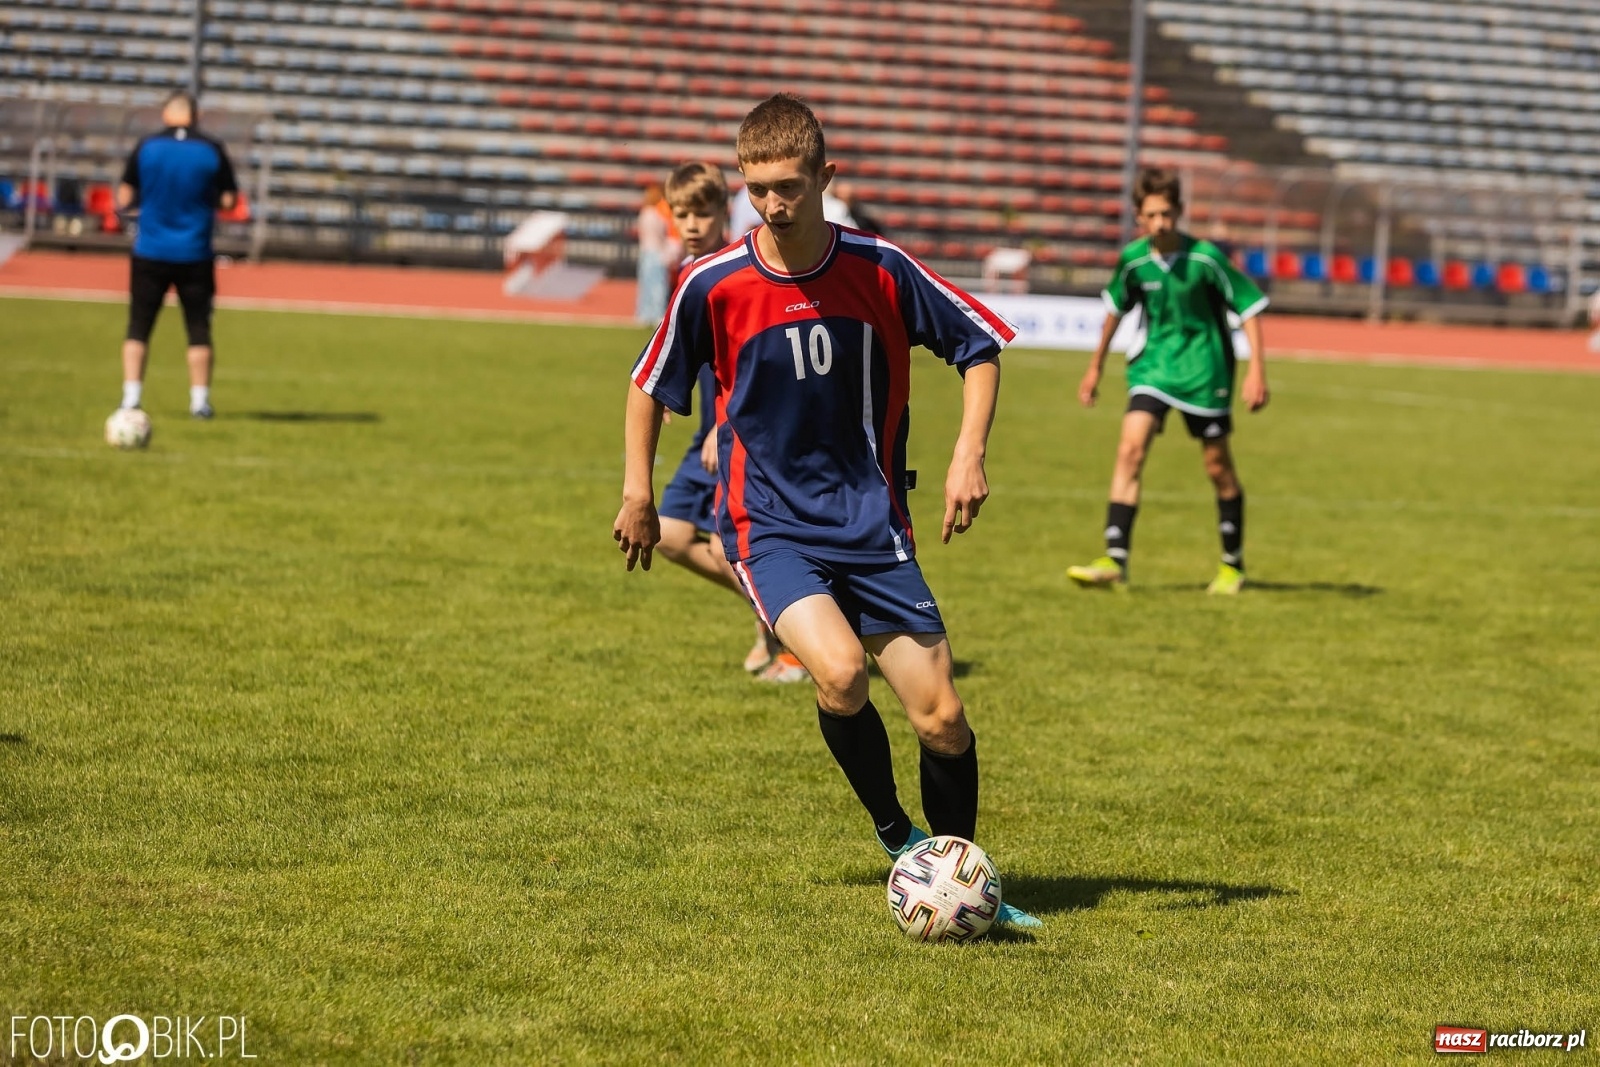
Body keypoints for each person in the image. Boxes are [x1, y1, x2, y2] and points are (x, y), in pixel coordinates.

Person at [613, 94, 1040, 929]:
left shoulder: (880, 267)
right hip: (767, 522)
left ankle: (956, 877)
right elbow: (649, 383)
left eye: (790, 186)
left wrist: (968, 451)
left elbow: (978, 345)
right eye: (758, 187)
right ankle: (895, 833)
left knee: (944, 718)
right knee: (840, 672)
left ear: (825, 178)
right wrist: (637, 489)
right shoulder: (713, 283)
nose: (774, 204)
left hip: (872, 519)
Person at [1068, 168, 1270, 595]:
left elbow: (1249, 307)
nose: (1161, 222)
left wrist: (1256, 371)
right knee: (1130, 449)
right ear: (1139, 218)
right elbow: (1114, 311)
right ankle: (1114, 559)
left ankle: (1232, 564)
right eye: (1152, 215)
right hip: (1153, 369)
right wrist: (1095, 367)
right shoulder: (1135, 260)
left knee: (1218, 467)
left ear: (1179, 211)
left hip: (1206, 372)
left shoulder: (1206, 258)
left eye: (1167, 213)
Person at [654, 160, 800, 682]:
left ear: (724, 212)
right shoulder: (685, 270)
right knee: (668, 534)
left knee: (727, 545)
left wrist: (726, 424)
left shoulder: (736, 270)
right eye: (681, 214)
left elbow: (752, 363)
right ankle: (776, 621)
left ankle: (794, 643)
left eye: (701, 212)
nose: (691, 224)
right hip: (707, 432)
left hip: (739, 432)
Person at [116, 90, 238, 419]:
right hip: (195, 251)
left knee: (139, 326)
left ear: (166, 114)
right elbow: (229, 201)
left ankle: (131, 398)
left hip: (150, 250)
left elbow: (124, 196)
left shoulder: (148, 146)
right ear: (195, 115)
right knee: (198, 329)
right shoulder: (211, 149)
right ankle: (200, 402)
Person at [635, 182, 673, 324]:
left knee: (646, 284)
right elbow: (661, 233)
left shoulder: (644, 213)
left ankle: (644, 313)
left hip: (645, 251)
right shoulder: (655, 214)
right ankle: (657, 313)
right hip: (656, 251)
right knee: (658, 285)